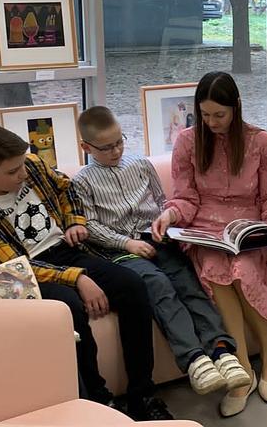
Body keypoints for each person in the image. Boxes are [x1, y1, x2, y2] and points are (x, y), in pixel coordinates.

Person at [0, 125, 172, 421]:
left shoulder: (31, 165)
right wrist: (77, 277)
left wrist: (75, 221)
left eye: (22, 165)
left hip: (68, 250)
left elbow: (66, 188)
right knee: (69, 308)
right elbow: (17, 269)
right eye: (12, 172)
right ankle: (100, 402)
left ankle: (143, 396)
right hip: (33, 272)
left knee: (132, 285)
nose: (22, 173)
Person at [71, 106, 251, 398]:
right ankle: (194, 358)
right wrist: (126, 243)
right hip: (120, 250)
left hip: (157, 238)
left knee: (188, 282)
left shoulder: (140, 164)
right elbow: (89, 226)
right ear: (86, 147)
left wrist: (166, 221)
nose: (116, 151)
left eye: (119, 142)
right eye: (106, 148)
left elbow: (162, 201)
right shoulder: (82, 182)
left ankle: (221, 350)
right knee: (158, 285)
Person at [151, 71, 267, 418]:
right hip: (204, 230)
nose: (212, 122)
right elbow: (185, 197)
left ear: (236, 107)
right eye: (205, 115)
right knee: (218, 269)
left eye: (220, 114)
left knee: (242, 269)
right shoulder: (187, 142)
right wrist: (169, 215)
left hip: (247, 228)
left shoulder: (259, 141)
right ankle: (242, 369)